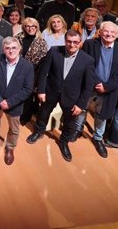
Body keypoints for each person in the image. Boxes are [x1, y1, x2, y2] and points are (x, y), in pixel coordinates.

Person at [26, 30, 96, 162]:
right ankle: (39, 132)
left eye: (75, 42)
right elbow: (43, 73)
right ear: (65, 41)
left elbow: (88, 86)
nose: (72, 44)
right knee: (43, 113)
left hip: (72, 97)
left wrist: (81, 104)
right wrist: (41, 90)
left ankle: (64, 142)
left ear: (80, 43)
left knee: (69, 122)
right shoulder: (54, 51)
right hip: (51, 91)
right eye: (69, 41)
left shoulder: (88, 60)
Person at [78, 21, 118, 158]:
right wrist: (97, 82)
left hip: (109, 89)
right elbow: (84, 64)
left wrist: (106, 86)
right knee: (82, 108)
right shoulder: (90, 44)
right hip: (89, 85)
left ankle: (97, 137)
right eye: (106, 31)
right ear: (100, 32)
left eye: (113, 32)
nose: (109, 34)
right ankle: (77, 129)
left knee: (102, 114)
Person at [0, 37, 35, 165]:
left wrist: (9, 102)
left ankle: (10, 148)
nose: (11, 51)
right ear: (4, 49)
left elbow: (27, 89)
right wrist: (0, 100)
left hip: (15, 104)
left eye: (14, 48)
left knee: (14, 129)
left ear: (19, 49)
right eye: (8, 48)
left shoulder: (27, 66)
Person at [15, 17, 49, 124]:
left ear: (37, 27)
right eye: (28, 26)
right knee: (16, 92)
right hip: (17, 70)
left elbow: (43, 60)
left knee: (28, 95)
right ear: (24, 27)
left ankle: (25, 116)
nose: (30, 28)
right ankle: (15, 112)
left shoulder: (41, 41)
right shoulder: (17, 38)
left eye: (33, 26)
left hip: (34, 72)